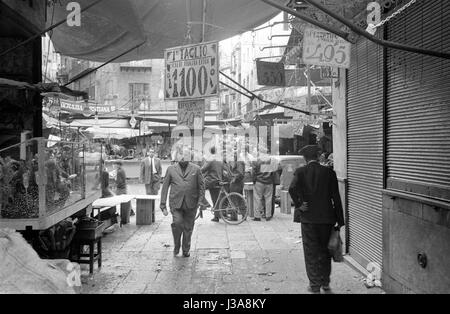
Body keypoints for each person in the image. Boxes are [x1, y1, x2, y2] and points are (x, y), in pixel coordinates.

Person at [288, 145, 345, 294]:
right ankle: (325, 284)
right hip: (327, 219)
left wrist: (300, 204)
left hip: (309, 220)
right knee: (325, 252)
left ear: (305, 158)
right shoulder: (329, 172)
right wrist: (340, 219)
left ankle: (314, 286)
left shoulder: (300, 172)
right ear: (319, 156)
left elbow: (291, 189)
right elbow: (336, 198)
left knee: (311, 253)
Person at [160, 147, 205, 257]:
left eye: (185, 155)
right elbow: (165, 187)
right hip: (176, 203)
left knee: (188, 227)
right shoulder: (171, 169)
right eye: (180, 154)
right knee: (178, 224)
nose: (183, 157)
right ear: (176, 156)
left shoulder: (196, 169)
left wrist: (200, 202)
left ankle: (186, 249)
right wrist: (163, 205)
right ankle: (176, 245)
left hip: (191, 203)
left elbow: (201, 186)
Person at [201, 146, 225, 222]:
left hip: (211, 180)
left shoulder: (211, 159)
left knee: (199, 187)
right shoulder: (219, 159)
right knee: (215, 199)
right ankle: (217, 216)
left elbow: (203, 169)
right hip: (218, 180)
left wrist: (197, 172)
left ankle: (205, 204)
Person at [252, 150, 277, 221]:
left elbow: (253, 172)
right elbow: (275, 171)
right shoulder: (272, 160)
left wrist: (254, 180)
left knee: (257, 199)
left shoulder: (257, 160)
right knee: (268, 199)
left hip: (259, 181)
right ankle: (268, 215)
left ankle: (257, 216)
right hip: (269, 182)